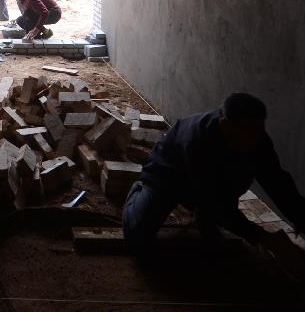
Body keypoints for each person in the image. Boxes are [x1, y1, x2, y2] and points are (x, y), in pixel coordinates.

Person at [122, 93, 305, 254]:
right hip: (169, 175)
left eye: (258, 133)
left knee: (213, 222)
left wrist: (299, 217)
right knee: (137, 237)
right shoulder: (196, 142)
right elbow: (211, 199)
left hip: (208, 182)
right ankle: (139, 191)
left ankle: (204, 216)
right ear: (225, 125)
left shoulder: (257, 138)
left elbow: (277, 181)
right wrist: (261, 237)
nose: (253, 141)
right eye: (246, 135)